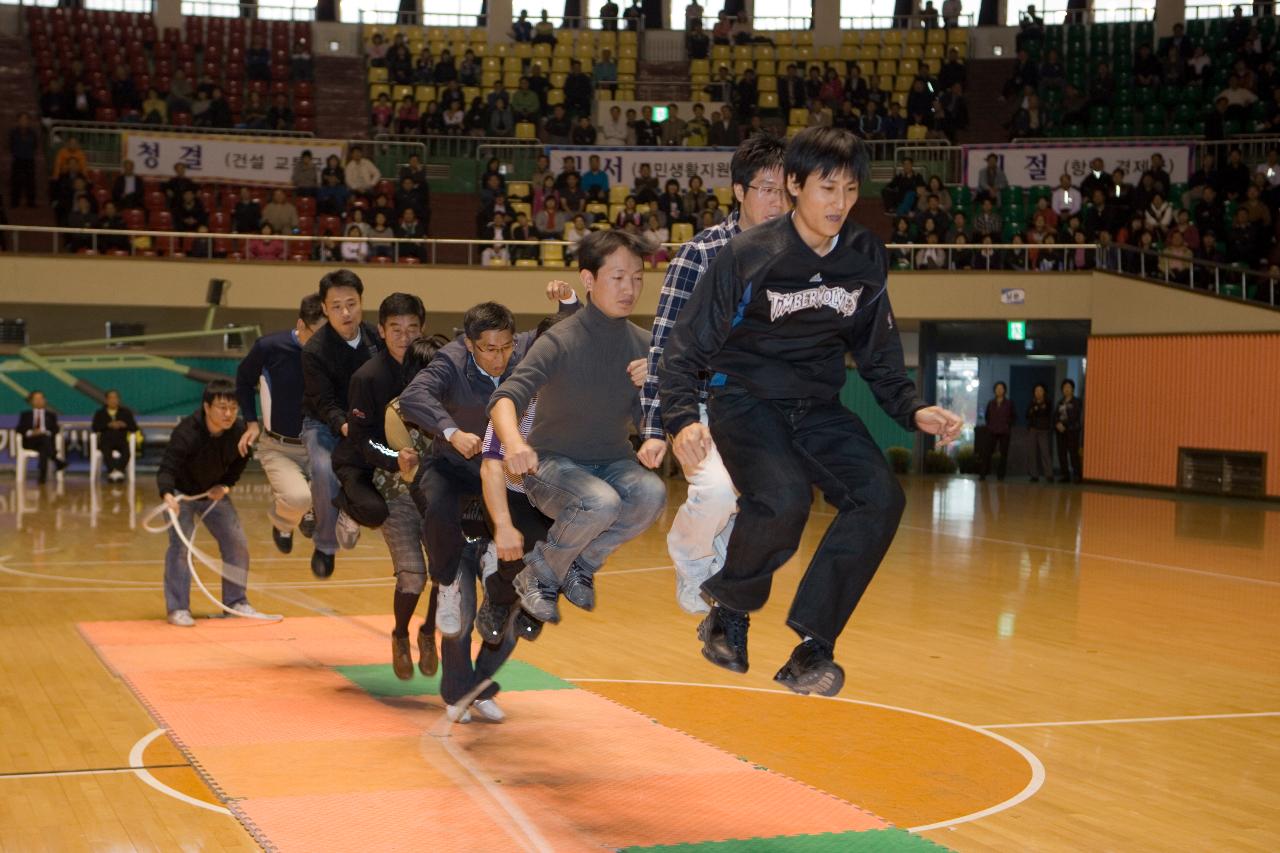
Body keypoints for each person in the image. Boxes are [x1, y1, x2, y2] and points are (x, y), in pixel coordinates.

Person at [658, 127, 964, 696]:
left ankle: (812, 647)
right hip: (745, 400)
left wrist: (913, 407)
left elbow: (878, 353)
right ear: (794, 186)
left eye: (850, 190)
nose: (839, 203)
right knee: (785, 498)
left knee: (880, 497)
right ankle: (729, 611)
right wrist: (680, 417)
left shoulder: (863, 256)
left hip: (817, 404)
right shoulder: (749, 254)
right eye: (827, 188)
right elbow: (686, 346)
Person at [397, 284, 580, 719]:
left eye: (505, 347)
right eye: (487, 349)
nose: (498, 357)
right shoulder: (451, 361)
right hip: (456, 473)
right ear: (469, 343)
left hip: (508, 486)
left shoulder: (525, 354)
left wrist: (569, 298)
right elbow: (412, 398)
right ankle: (446, 586)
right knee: (447, 550)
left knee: (511, 599)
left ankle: (479, 686)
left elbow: (566, 332)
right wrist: (451, 432)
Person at [490, 230, 668, 625]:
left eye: (638, 277)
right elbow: (504, 398)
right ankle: (539, 573)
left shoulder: (644, 344)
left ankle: (581, 562)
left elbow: (647, 418)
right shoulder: (560, 340)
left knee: (652, 494)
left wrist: (654, 429)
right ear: (588, 281)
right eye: (618, 277)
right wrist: (514, 441)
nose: (630, 288)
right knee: (600, 501)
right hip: (552, 467)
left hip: (613, 462)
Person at [640, 135, 787, 614]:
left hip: (763, 407)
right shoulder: (700, 255)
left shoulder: (796, 260)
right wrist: (654, 426)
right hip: (699, 405)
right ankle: (692, 560)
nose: (778, 201)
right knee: (718, 490)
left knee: (768, 504)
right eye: (767, 188)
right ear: (739, 191)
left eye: (786, 191)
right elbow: (663, 340)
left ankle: (718, 565)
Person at [157, 380, 266, 627]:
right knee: (180, 549)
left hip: (214, 495)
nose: (228, 413)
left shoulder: (240, 432)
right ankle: (178, 609)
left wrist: (225, 485)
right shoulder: (186, 432)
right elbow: (167, 467)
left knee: (237, 544)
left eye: (233, 408)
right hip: (180, 495)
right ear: (207, 407)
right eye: (222, 407)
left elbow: (239, 462)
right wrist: (167, 495)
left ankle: (236, 603)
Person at [302, 270, 384, 578]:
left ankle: (351, 510)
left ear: (362, 302)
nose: (345, 312)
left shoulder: (379, 340)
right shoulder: (314, 350)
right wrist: (347, 427)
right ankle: (325, 544)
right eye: (336, 306)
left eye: (351, 303)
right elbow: (324, 402)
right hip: (323, 425)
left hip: (370, 423)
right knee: (324, 470)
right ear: (324, 308)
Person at [332, 293, 424, 566]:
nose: (404, 338)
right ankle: (345, 504)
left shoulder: (429, 369)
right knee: (373, 511)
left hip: (404, 459)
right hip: (363, 462)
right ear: (382, 331)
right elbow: (360, 439)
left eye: (412, 329)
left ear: (422, 330)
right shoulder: (367, 377)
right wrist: (394, 460)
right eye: (396, 329)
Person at [236, 294, 327, 554]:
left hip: (318, 443)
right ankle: (284, 523)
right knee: (298, 498)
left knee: (341, 488)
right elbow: (243, 382)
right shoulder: (269, 348)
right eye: (317, 334)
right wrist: (251, 422)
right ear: (301, 325)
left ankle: (311, 508)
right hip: (279, 446)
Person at [17, 391, 66, 484]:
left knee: (44, 442)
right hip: (31, 442)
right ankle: (56, 461)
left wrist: (43, 431)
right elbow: (19, 429)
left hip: (45, 442)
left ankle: (42, 476)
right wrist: (31, 432)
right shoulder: (26, 415)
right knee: (44, 442)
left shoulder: (51, 415)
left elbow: (55, 430)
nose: (39, 401)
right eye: (36, 399)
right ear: (31, 401)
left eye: (41, 398)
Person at [91, 390, 139, 483]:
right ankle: (113, 471)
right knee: (106, 451)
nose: (113, 400)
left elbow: (134, 428)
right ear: (106, 400)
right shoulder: (100, 413)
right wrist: (108, 425)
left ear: (119, 400)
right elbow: (95, 427)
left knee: (127, 452)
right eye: (111, 398)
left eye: (115, 398)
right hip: (106, 440)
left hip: (121, 440)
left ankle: (118, 471)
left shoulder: (125, 412)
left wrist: (124, 425)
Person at [978, 381, 1014, 481]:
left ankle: (1001, 475)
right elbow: (987, 416)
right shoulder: (991, 403)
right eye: (997, 388)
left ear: (1004, 390)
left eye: (1001, 388)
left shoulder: (1009, 403)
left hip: (1004, 432)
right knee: (986, 453)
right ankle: (983, 474)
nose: (999, 390)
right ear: (994, 390)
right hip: (992, 431)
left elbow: (1013, 417)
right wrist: (990, 426)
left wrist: (1007, 425)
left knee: (1003, 454)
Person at [1055, 378, 1083, 483]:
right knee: (1061, 454)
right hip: (1060, 432)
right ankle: (1065, 475)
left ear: (1072, 389)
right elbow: (1056, 415)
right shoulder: (1060, 402)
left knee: (1073, 453)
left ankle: (1077, 475)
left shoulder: (1077, 402)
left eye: (1069, 387)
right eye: (1064, 388)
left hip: (1072, 431)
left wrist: (1065, 425)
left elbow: (1075, 416)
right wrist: (1057, 423)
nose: (1066, 389)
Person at [9, 112, 38, 209]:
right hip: (17, 159)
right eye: (22, 119)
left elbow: (35, 145)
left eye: (26, 119)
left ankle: (31, 202)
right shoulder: (13, 133)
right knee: (16, 181)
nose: (24, 121)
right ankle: (14, 202)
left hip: (29, 160)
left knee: (30, 182)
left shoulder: (32, 133)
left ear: (28, 121)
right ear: (18, 121)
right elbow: (11, 145)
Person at [1025, 383, 1053, 482]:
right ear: (1034, 392)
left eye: (1040, 390)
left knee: (1045, 452)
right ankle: (1034, 475)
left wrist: (1036, 409)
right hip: (1033, 429)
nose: (1038, 392)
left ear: (1044, 392)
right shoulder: (1031, 402)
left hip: (1044, 430)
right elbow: (1027, 415)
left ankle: (1049, 474)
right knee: (1031, 452)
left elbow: (1044, 413)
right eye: (1036, 391)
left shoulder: (1048, 402)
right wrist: (1035, 408)